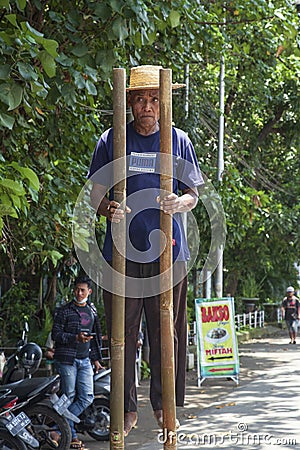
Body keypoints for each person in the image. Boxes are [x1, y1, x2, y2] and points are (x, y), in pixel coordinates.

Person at [88, 65, 203, 436]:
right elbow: (94, 194)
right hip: (120, 253)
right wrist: (109, 208)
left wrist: (178, 203)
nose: (148, 106)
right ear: (129, 103)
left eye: (155, 99)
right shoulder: (111, 140)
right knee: (121, 332)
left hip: (169, 253)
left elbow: (193, 195)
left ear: (164, 103)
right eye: (140, 99)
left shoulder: (179, 139)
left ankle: (165, 406)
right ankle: (125, 409)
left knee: (166, 330)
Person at [51, 275, 103, 449]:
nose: (79, 293)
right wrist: (75, 337)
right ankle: (71, 437)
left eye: (82, 290)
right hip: (67, 359)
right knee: (69, 396)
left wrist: (96, 360)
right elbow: (56, 335)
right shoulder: (64, 310)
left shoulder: (92, 311)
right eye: (77, 290)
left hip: (85, 359)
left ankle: (56, 429)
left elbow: (94, 339)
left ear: (89, 291)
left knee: (87, 397)